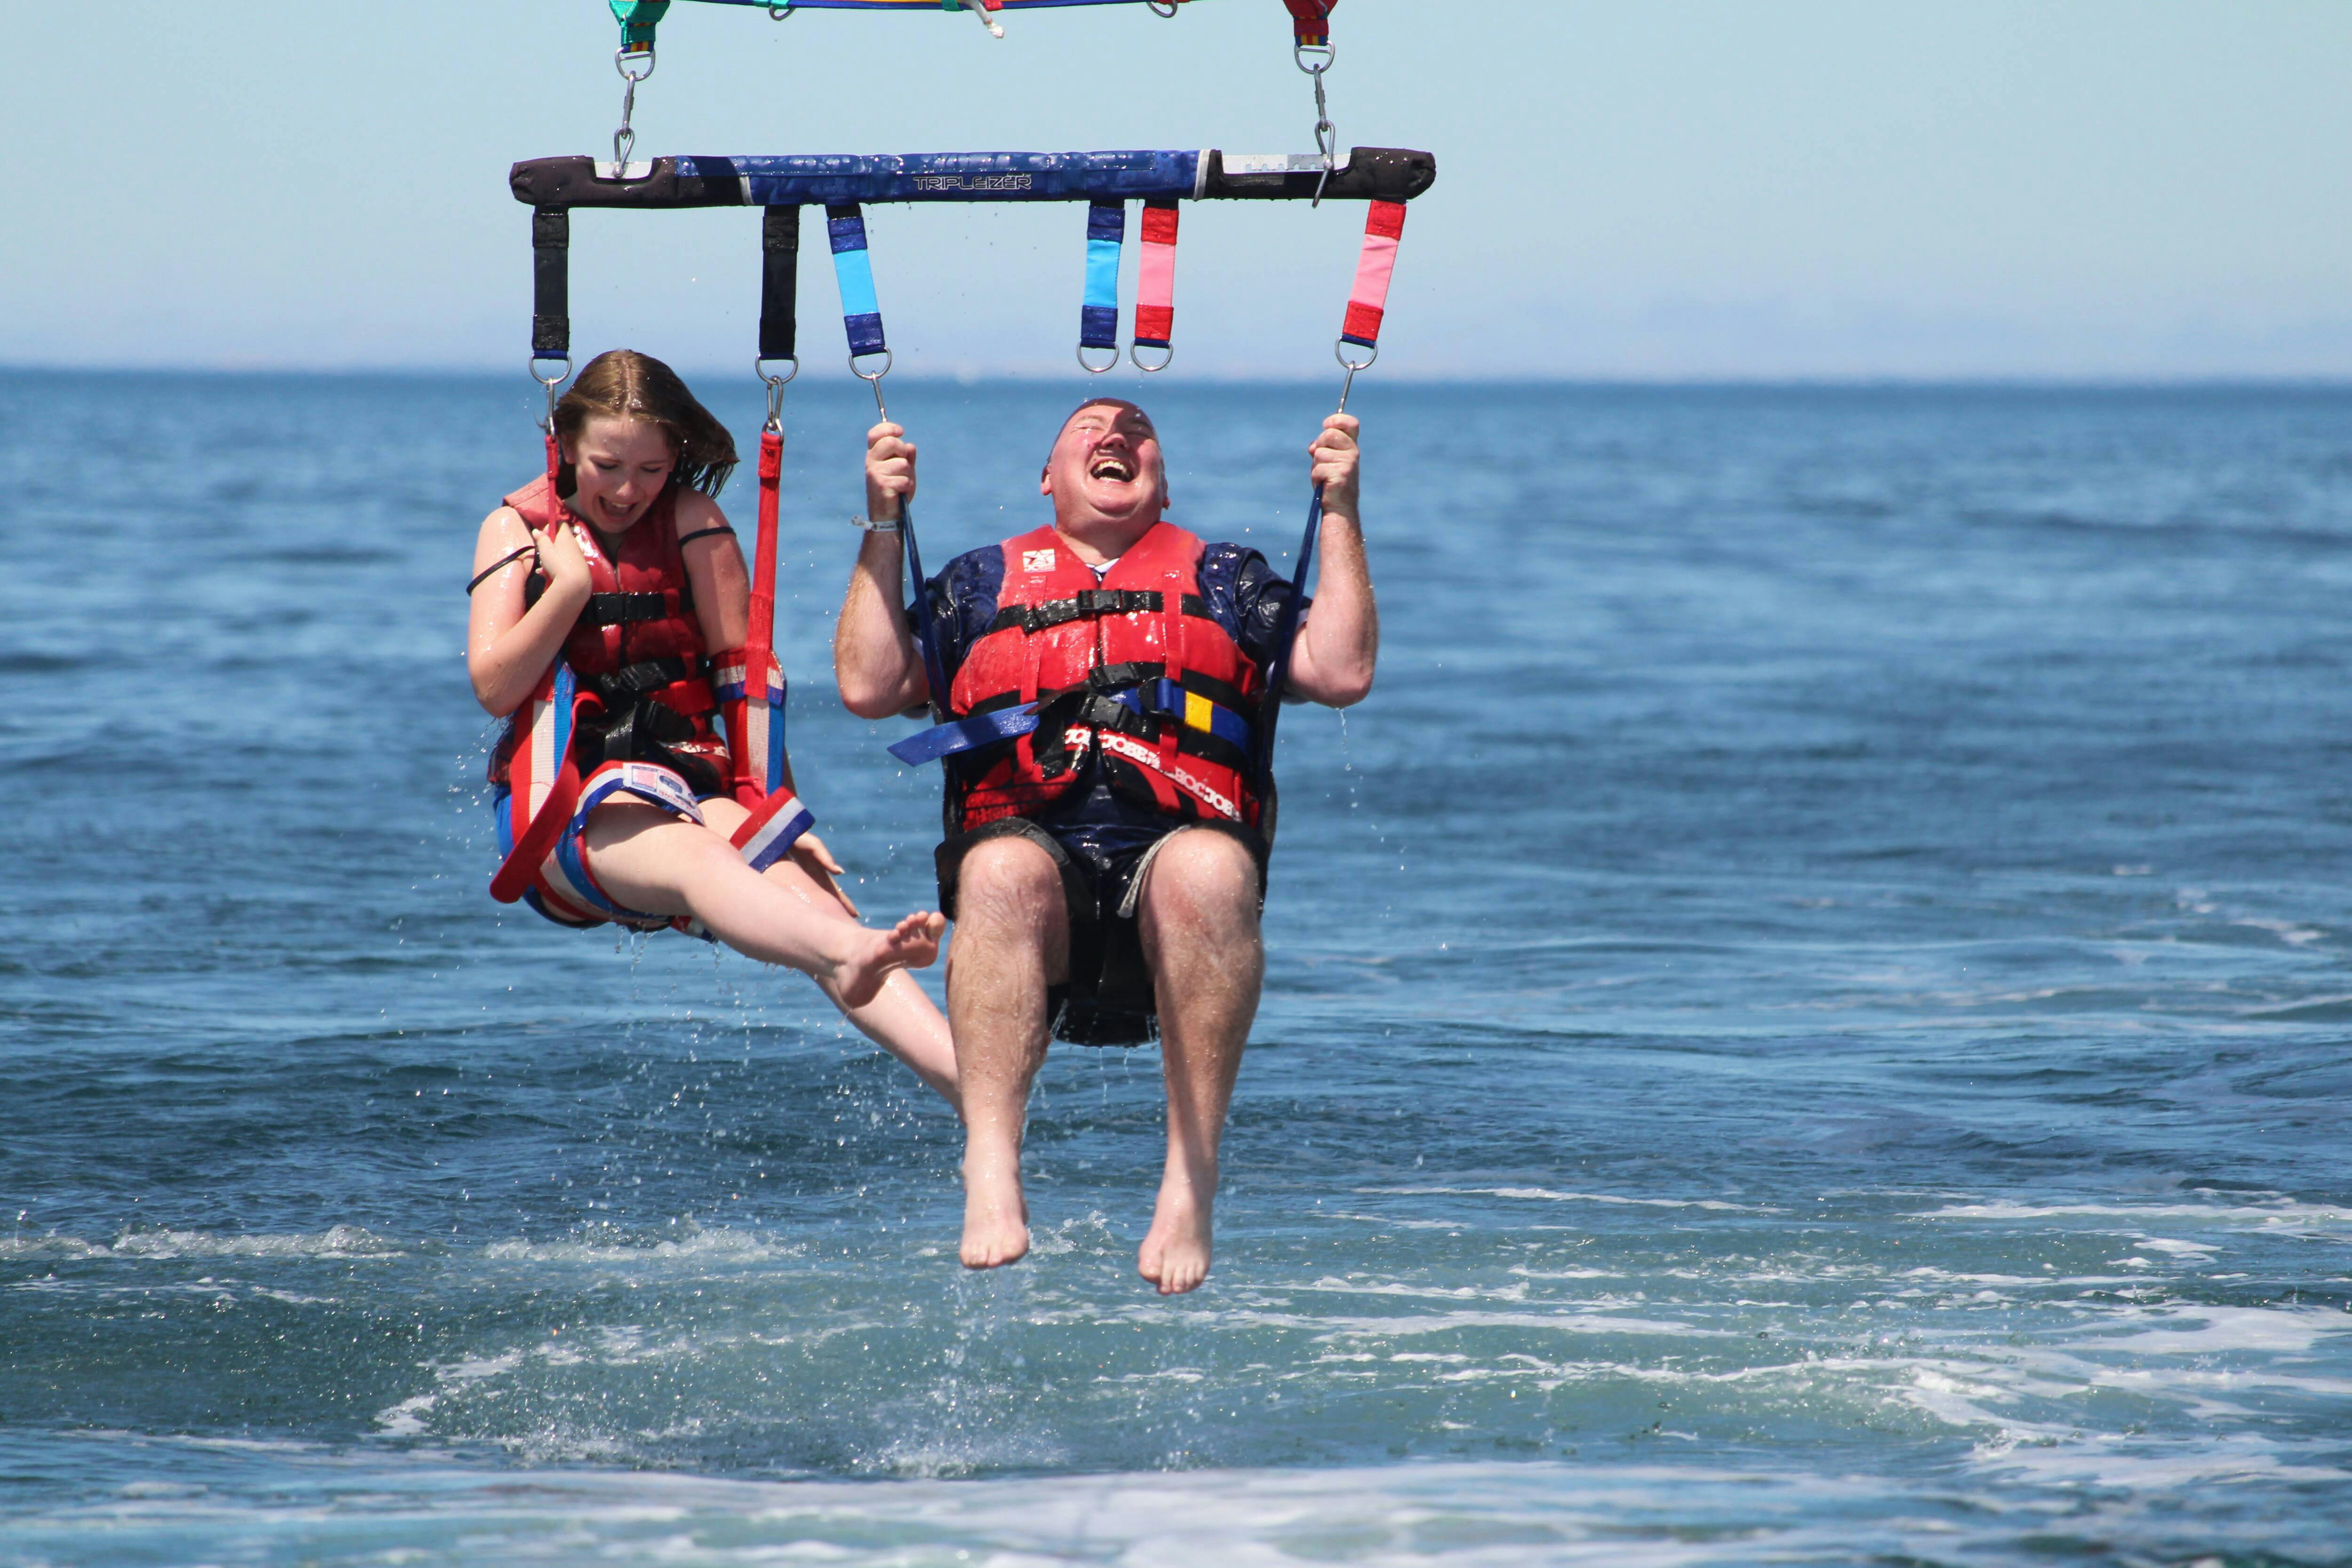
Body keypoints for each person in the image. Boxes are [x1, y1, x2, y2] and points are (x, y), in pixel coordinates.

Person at [835, 397, 1375, 1292]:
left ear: (1162, 486)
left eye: (1137, 435)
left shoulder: (1226, 577)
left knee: (1207, 865)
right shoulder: (977, 583)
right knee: (1000, 868)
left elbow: (1342, 669)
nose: (1115, 439)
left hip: (1181, 870)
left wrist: (1344, 509)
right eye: (1089, 430)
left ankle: (1191, 1176)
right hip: (1031, 879)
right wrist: (883, 519)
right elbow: (868, 682)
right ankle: (991, 1163)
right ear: (1049, 479)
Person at [467, 349, 958, 1106]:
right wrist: (564, 589)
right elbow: (496, 687)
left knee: (806, 890)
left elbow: (746, 680)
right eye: (608, 465)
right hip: (563, 813)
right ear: (564, 444)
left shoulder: (694, 522)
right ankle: (850, 953)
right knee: (702, 859)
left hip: (687, 779)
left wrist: (779, 808)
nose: (629, 490)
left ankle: (976, 1090)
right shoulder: (515, 530)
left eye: (653, 470)